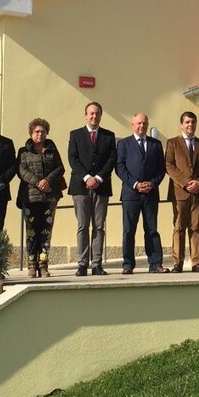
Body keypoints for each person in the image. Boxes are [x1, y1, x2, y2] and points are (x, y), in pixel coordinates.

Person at [67, 102, 116, 277]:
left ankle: (96, 264)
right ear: (85, 115)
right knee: (82, 226)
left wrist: (99, 178)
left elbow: (111, 159)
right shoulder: (75, 135)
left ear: (101, 116)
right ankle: (82, 264)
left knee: (99, 226)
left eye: (97, 113)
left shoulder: (109, 136)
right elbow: (73, 159)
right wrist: (87, 177)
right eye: (91, 113)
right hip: (80, 187)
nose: (94, 116)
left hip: (101, 187)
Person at [115, 113, 168, 274]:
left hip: (150, 194)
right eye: (138, 123)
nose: (141, 126)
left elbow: (161, 169)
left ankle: (155, 264)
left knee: (152, 230)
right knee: (128, 231)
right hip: (130, 195)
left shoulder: (156, 144)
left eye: (144, 123)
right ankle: (128, 264)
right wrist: (136, 184)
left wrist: (152, 183)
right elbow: (120, 167)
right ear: (132, 125)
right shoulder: (124, 144)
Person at [15, 118, 65, 278]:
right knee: (31, 232)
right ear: (31, 133)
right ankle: (32, 265)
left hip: (50, 197)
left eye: (43, 131)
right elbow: (21, 171)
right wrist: (38, 183)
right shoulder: (23, 151)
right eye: (37, 131)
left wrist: (48, 181)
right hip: (30, 198)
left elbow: (60, 168)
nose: (40, 134)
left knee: (45, 232)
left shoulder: (52, 150)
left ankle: (43, 265)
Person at [165, 111, 199, 272]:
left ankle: (195, 262)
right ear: (181, 125)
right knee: (179, 227)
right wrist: (185, 183)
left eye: (193, 122)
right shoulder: (173, 143)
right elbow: (169, 166)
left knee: (195, 227)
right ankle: (178, 262)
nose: (190, 125)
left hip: (198, 192)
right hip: (180, 192)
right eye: (187, 122)